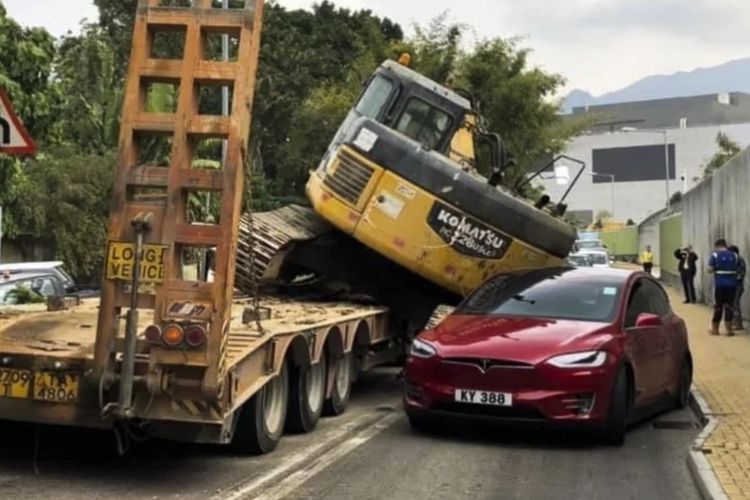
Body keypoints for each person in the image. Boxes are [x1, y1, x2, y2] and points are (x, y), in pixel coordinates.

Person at [708, 239, 739, 336]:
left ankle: (715, 329)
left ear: (717, 246)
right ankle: (729, 330)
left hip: (720, 285)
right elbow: (737, 267)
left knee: (718, 306)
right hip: (732, 285)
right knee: (729, 306)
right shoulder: (735, 255)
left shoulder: (715, 255)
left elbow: (709, 269)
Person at [729, 245, 746, 331]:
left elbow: (740, 275)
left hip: (737, 285)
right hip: (734, 285)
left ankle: (738, 323)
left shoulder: (739, 260)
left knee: (735, 304)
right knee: (733, 304)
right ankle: (735, 322)